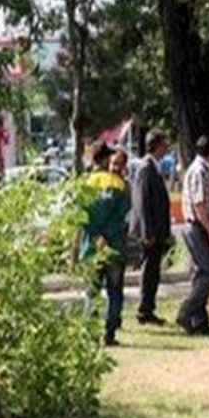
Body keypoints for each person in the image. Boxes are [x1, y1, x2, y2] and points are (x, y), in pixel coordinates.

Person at [76, 142, 131, 346]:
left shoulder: (87, 183)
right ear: (106, 159)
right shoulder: (120, 185)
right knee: (114, 291)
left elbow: (82, 215)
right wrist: (107, 236)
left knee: (92, 291)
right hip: (114, 247)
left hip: (91, 247)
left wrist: (96, 235)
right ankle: (110, 334)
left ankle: (90, 334)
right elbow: (121, 217)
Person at [177, 134, 209, 335]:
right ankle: (186, 311)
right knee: (208, 271)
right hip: (198, 227)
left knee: (200, 273)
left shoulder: (203, 170)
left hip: (199, 227)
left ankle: (199, 321)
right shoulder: (199, 172)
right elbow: (199, 205)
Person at [130, 130, 172, 325]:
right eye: (164, 143)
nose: (166, 147)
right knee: (149, 271)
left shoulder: (154, 168)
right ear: (156, 145)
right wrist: (148, 232)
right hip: (150, 232)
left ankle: (149, 307)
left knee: (154, 271)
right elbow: (142, 203)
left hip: (157, 230)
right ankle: (144, 309)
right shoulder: (146, 169)